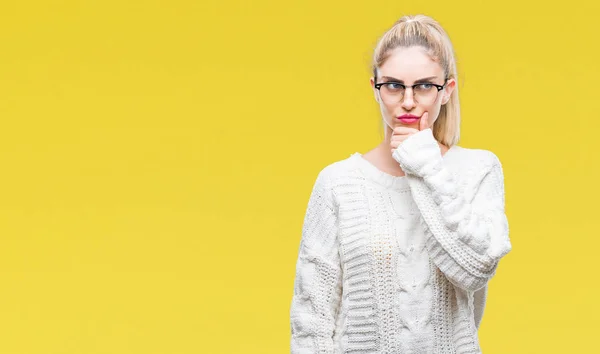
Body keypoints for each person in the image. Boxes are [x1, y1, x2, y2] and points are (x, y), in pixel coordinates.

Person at [289, 14, 513, 354]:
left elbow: (475, 269)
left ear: (446, 91)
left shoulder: (477, 169)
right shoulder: (338, 183)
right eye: (393, 85)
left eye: (424, 85)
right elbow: (313, 318)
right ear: (376, 89)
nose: (408, 101)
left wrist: (426, 166)